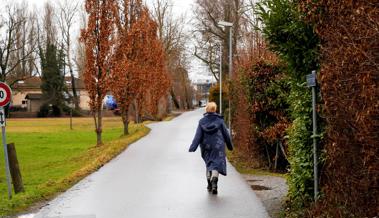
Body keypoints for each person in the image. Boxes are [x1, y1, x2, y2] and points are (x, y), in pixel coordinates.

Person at [189, 102, 233, 194]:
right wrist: (229, 146)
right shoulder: (220, 121)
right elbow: (226, 134)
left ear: (206, 109)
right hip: (218, 145)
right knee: (216, 163)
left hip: (206, 146)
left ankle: (209, 182)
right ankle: (214, 181)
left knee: (209, 163)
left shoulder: (202, 122)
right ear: (215, 109)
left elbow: (198, 136)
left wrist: (193, 147)